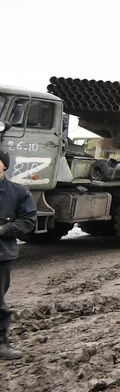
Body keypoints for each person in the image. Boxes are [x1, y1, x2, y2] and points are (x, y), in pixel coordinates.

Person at [0, 148, 38, 361]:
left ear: (4, 165)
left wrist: (4, 230)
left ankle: (2, 342)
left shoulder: (18, 192)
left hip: (1, 253)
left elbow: (28, 222)